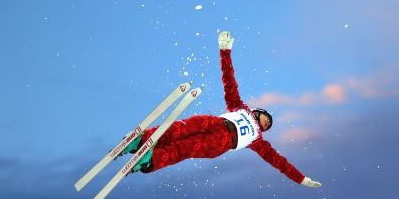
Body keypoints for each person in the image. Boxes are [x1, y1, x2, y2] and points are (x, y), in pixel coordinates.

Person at [121, 31, 322, 188]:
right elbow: (229, 81)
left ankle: (150, 160)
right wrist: (224, 51)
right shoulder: (239, 107)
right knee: (177, 129)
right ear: (257, 111)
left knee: (184, 148)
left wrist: (300, 179)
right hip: (214, 122)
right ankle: (141, 141)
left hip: (220, 143)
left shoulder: (258, 141)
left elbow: (279, 162)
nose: (265, 123)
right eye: (265, 118)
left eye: (267, 125)